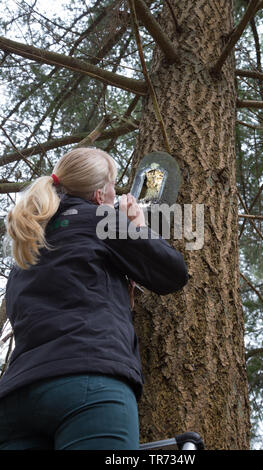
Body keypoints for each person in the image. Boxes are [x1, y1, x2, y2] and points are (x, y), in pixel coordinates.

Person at [0, 147, 188, 450]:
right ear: (100, 194)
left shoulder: (28, 245)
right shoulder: (101, 219)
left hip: (16, 397)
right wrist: (137, 227)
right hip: (88, 383)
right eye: (113, 185)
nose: (116, 193)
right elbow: (171, 272)